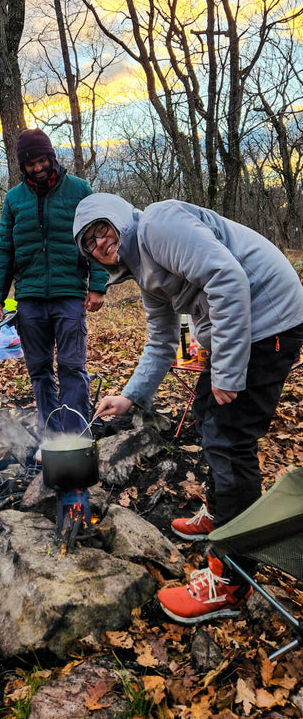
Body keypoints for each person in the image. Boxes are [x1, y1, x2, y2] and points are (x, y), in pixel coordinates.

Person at [73, 192, 303, 624]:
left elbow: (228, 279)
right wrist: (130, 397)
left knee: (230, 440)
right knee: (206, 411)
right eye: (89, 242)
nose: (100, 243)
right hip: (244, 327)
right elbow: (160, 345)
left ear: (119, 218)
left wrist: (229, 373)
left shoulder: (159, 225)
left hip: (270, 319)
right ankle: (220, 514)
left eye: (102, 229)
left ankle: (231, 579)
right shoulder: (145, 271)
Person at [0, 129, 108, 437]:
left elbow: (97, 237)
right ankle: (51, 436)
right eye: (30, 164)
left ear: (51, 157)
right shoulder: (14, 200)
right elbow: (5, 251)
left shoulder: (79, 189)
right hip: (28, 297)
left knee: (72, 366)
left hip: (69, 293)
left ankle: (76, 434)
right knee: (39, 371)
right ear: (22, 167)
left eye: (42, 160)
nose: (38, 168)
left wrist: (98, 285)